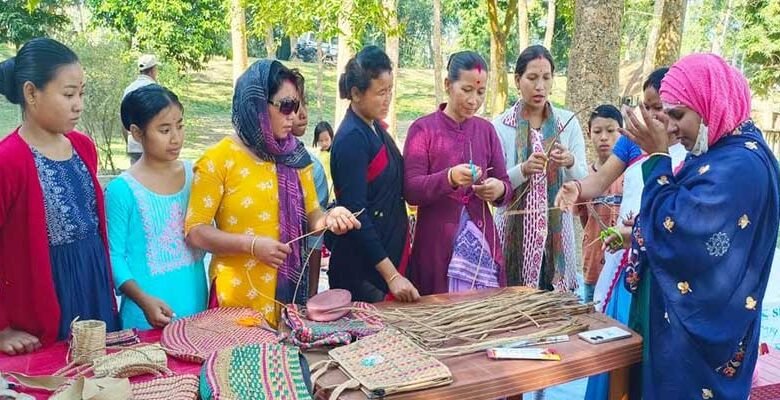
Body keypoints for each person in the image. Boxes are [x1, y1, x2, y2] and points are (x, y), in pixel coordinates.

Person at [621, 53, 779, 399]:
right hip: (685, 331)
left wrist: (659, 161)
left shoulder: (740, 164)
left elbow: (680, 229)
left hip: (696, 344)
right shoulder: (722, 153)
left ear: (711, 104)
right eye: (667, 114)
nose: (671, 128)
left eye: (678, 115)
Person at [185, 59, 359, 327]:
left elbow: (313, 215)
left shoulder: (295, 157)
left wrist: (331, 218)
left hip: (287, 302)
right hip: (236, 303)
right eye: (286, 106)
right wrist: (252, 245)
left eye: (297, 106)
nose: (294, 115)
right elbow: (195, 230)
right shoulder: (218, 160)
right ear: (256, 104)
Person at [0, 38, 118, 355]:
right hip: (45, 300)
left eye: (81, 93)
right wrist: (1, 328)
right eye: (68, 94)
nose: (78, 104)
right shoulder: (8, 161)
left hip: (94, 285)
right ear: (31, 93)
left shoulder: (83, 147)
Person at [556, 67, 687, 312]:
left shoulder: (690, 149)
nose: (649, 115)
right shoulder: (631, 140)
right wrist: (575, 187)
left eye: (658, 107)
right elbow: (600, 180)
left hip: (660, 258)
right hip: (623, 255)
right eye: (645, 107)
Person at [404, 51, 512, 295]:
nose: (474, 100)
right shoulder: (423, 129)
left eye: (481, 92)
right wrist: (448, 178)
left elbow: (505, 186)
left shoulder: (486, 131)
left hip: (482, 240)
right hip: (436, 245)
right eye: (466, 90)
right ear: (447, 85)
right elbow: (411, 189)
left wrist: (498, 189)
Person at [106, 85, 207, 330]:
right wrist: (142, 300)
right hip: (145, 316)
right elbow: (114, 257)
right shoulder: (122, 190)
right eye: (164, 130)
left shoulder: (196, 176)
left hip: (196, 306)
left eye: (180, 126)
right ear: (137, 133)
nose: (176, 138)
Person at [326, 46, 419, 303]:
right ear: (356, 93)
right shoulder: (351, 139)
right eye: (380, 92)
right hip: (364, 272)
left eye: (390, 90)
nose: (387, 99)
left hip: (386, 253)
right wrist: (391, 276)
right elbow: (356, 213)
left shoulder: (374, 126)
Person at [493, 45, 587, 292]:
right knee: (513, 310)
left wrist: (570, 162)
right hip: (513, 237)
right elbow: (494, 187)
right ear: (517, 80)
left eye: (546, 78)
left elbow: (585, 181)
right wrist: (522, 169)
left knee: (556, 311)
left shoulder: (567, 123)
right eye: (532, 78)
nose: (540, 86)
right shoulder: (501, 126)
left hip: (556, 238)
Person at [577, 105, 624, 304]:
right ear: (589, 134)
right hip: (593, 263)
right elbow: (583, 217)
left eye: (610, 130)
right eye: (597, 131)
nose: (603, 137)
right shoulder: (583, 176)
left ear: (622, 133)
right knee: (591, 316)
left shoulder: (630, 174)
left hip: (623, 262)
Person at [290, 70, 329, 298]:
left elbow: (315, 237)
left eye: (303, 103)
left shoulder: (311, 168)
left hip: (296, 286)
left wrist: (312, 295)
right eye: (292, 105)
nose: (302, 114)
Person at [122, 54, 160, 165]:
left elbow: (123, 121)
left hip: (134, 144)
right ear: (153, 70)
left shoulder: (128, 89)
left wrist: (129, 141)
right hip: (152, 145)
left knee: (136, 177)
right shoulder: (155, 90)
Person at [313, 121, 334, 197]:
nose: (324, 143)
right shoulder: (317, 153)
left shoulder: (333, 153)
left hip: (330, 188)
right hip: (319, 185)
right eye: (321, 141)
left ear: (331, 137)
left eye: (326, 139)